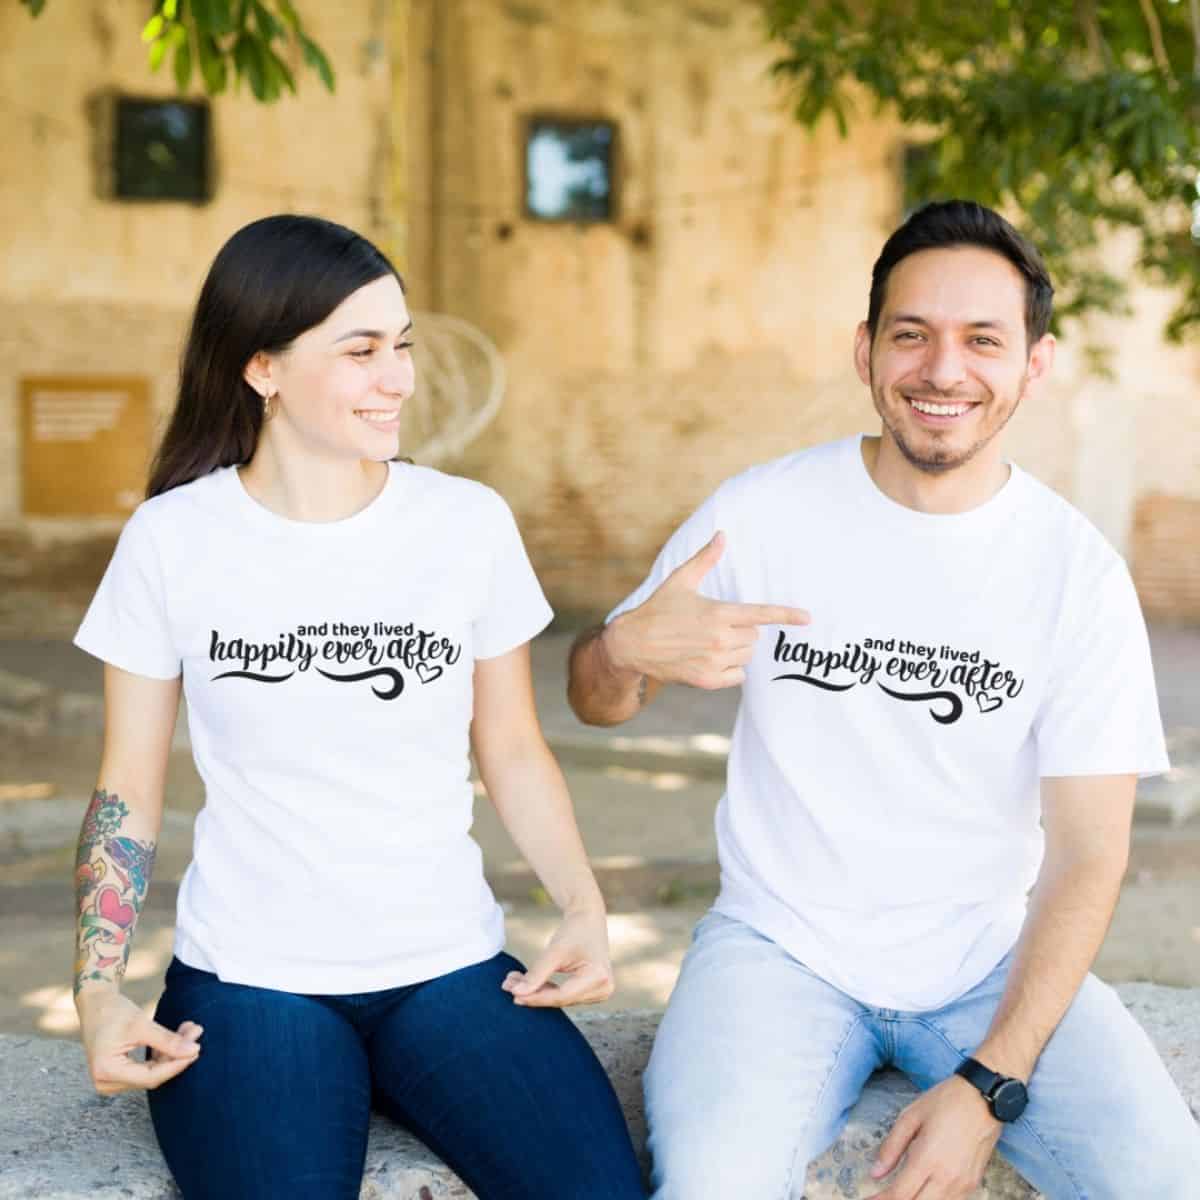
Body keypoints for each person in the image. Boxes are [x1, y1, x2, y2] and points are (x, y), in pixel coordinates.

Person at [567, 200, 1200, 1199]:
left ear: (1034, 364)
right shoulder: (761, 513)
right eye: (912, 334)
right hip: (777, 950)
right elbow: (598, 701)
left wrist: (989, 1084)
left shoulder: (1075, 573)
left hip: (990, 961)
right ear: (865, 351)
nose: (943, 369)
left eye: (982, 339)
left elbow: (1090, 853)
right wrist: (621, 649)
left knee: (1167, 1178)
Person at [72, 214, 647, 1200]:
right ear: (262, 367)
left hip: (453, 970)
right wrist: (96, 990)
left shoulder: (465, 524)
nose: (400, 379)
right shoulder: (173, 540)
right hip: (251, 986)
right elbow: (127, 786)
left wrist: (584, 909)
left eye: (403, 345)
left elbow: (512, 747)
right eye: (361, 350)